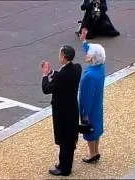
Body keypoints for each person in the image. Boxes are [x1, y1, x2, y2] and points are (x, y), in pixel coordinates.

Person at [41, 45, 82, 176]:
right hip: (72, 109)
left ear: (64, 57)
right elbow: (63, 75)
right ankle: (64, 164)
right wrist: (52, 72)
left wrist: (44, 75)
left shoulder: (61, 77)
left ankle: (64, 168)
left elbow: (46, 89)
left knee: (64, 141)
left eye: (60, 54)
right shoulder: (76, 68)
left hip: (62, 112)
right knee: (70, 139)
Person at [78, 28, 105, 163]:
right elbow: (93, 49)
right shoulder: (101, 68)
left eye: (88, 54)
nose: (86, 55)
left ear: (92, 58)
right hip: (98, 104)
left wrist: (84, 114)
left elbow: (85, 98)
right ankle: (96, 151)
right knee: (97, 128)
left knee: (89, 130)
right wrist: (84, 40)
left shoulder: (88, 76)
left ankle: (92, 153)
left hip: (90, 108)